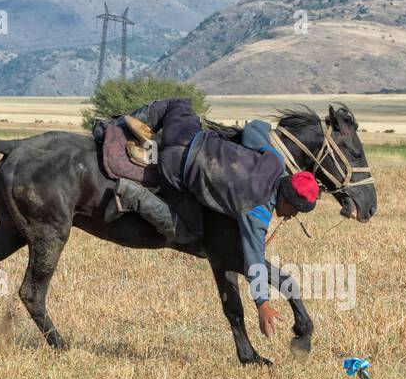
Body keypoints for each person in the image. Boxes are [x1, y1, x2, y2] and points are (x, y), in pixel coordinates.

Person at [111, 98, 320, 337]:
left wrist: (267, 127)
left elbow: (254, 129)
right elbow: (253, 259)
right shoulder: (257, 208)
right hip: (175, 167)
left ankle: (124, 125)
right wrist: (262, 305)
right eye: (295, 210)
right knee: (189, 233)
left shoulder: (274, 161)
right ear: (285, 199)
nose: (292, 216)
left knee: (180, 103)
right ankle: (133, 194)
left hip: (186, 135)